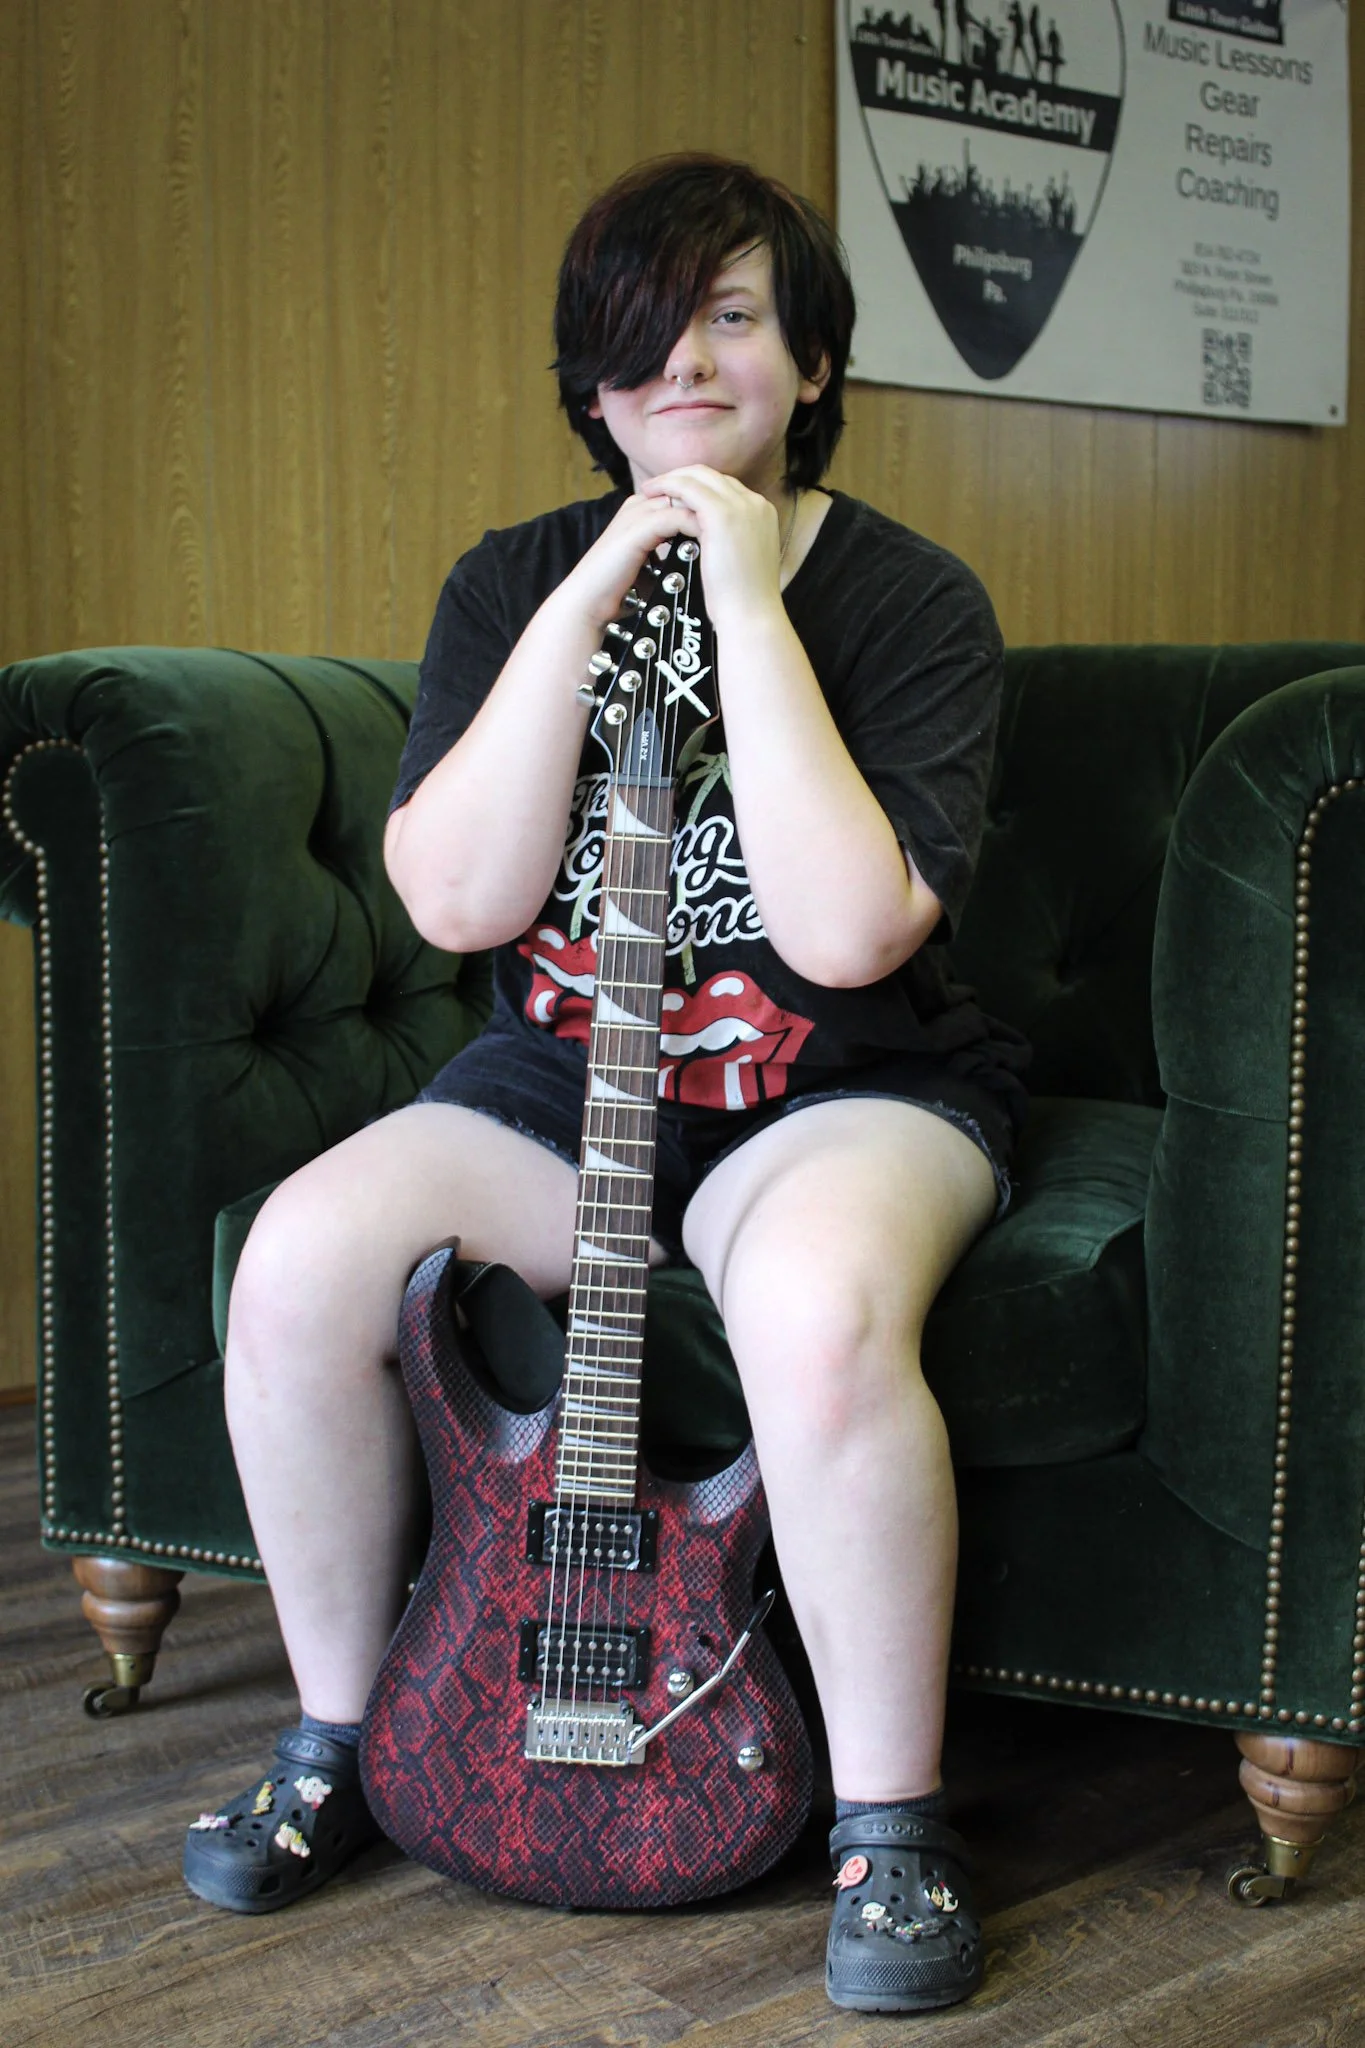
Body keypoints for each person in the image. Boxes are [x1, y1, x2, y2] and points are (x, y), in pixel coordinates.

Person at [182, 153, 1027, 2016]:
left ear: (814, 358)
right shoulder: (509, 581)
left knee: (813, 1313)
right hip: (563, 1091)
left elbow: (852, 934)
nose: (689, 366)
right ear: (591, 383)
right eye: (644, 336)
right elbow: (455, 900)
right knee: (299, 1259)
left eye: (734, 317)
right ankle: (342, 1741)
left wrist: (747, 599)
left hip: (837, 1091)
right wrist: (586, 602)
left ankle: (889, 1828)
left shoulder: (912, 603)